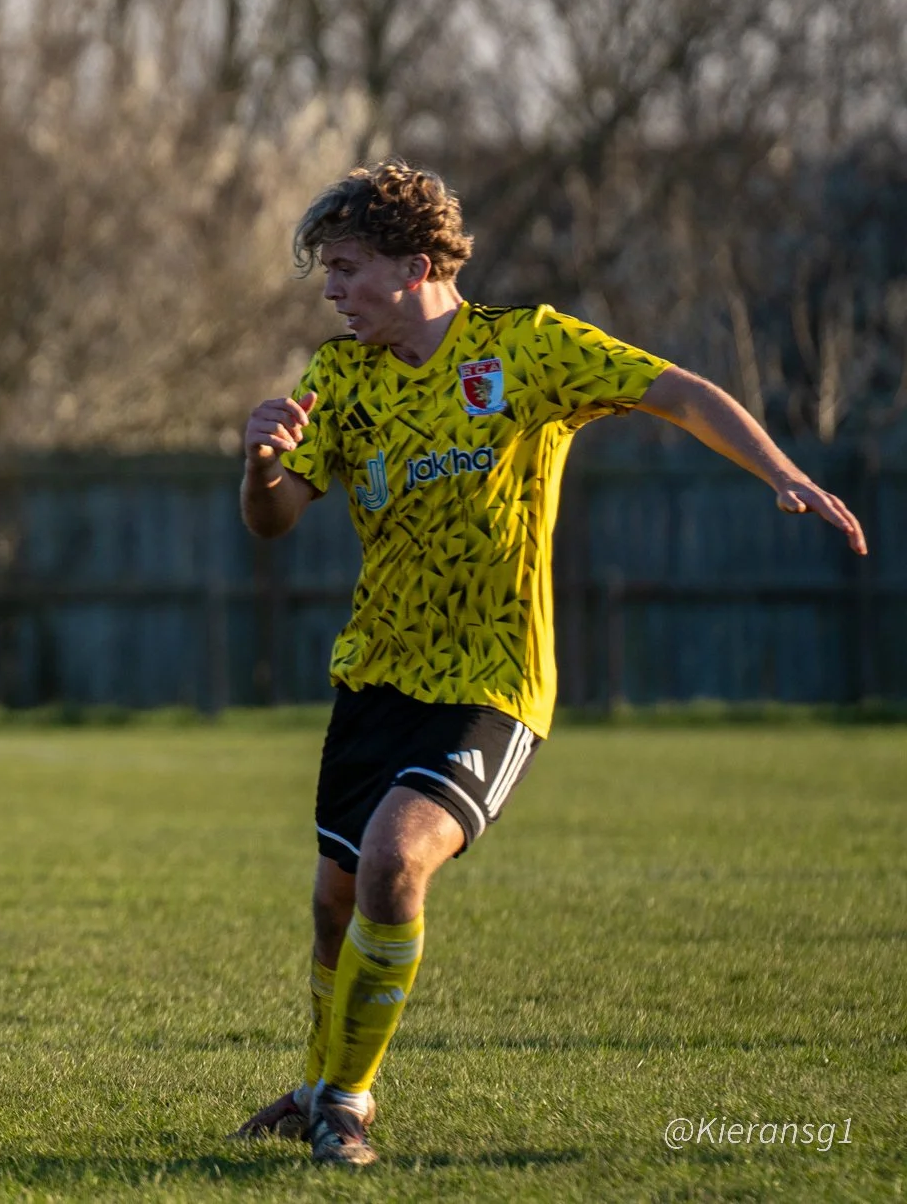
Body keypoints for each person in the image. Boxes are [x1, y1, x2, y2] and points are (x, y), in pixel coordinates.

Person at [230, 161, 866, 1167]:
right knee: (333, 901)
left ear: (418, 263)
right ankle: (318, 1081)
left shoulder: (523, 350)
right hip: (376, 674)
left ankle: (343, 1107)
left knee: (396, 865)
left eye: (346, 269)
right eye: (326, 275)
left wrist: (782, 472)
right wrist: (261, 463)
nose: (330, 292)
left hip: (491, 680)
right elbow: (271, 523)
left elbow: (679, 392)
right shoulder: (339, 379)